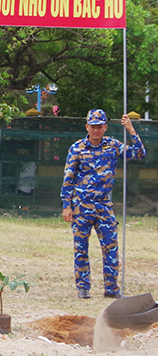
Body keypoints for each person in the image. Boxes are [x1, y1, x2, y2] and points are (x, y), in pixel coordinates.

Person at [61, 109, 145, 299]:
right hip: (81, 205)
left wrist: (131, 130)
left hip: (104, 205)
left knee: (110, 246)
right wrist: (66, 205)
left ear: (105, 127)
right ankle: (83, 287)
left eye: (100, 126)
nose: (96, 130)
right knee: (81, 247)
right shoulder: (77, 148)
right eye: (93, 126)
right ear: (87, 127)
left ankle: (112, 288)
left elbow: (139, 154)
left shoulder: (113, 146)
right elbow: (68, 177)